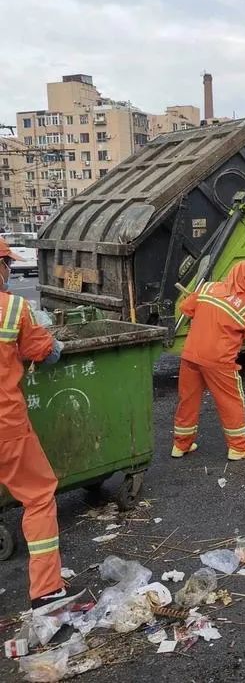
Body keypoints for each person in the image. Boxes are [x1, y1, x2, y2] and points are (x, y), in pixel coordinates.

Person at [0, 240, 77, 613]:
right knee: (38, 496)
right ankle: (46, 590)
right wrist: (54, 346)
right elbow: (44, 352)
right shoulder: (12, 308)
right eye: (8, 264)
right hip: (5, 424)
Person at [172, 261, 245, 461]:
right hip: (219, 362)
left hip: (191, 355)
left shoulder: (207, 288)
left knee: (188, 400)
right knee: (231, 402)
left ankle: (180, 445)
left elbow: (185, 309)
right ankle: (238, 448)